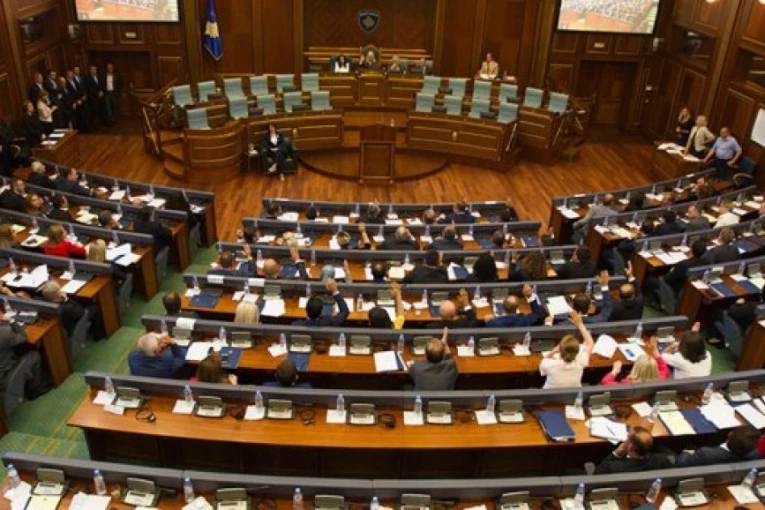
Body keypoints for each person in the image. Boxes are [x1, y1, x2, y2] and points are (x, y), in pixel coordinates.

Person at [539, 310, 594, 389]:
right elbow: (590, 343)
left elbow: (544, 362)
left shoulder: (549, 364)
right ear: (577, 351)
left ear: (560, 349)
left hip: (550, 396)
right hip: (573, 396)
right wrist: (580, 324)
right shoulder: (581, 360)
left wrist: (553, 352)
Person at [0, 313, 48, 399]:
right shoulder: (4, 332)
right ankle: (34, 390)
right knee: (34, 355)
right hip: (5, 377)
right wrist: (11, 321)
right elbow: (24, 337)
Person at [593, 427, 672, 474]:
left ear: (630, 446)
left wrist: (615, 454)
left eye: (627, 437)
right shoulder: (663, 460)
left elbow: (596, 474)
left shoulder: (613, 467)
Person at [676, 426, 760, 467]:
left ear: (730, 434)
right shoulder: (755, 455)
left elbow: (682, 463)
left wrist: (687, 451)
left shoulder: (706, 454)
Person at [601, 337, 669, 385]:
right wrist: (656, 351)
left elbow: (605, 382)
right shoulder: (661, 378)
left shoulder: (628, 383)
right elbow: (664, 369)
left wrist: (615, 371)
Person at [85, 64, 104, 129]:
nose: (93, 70)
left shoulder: (99, 76)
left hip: (100, 97)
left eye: (95, 69)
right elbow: (89, 88)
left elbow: (102, 85)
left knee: (101, 110)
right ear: (90, 70)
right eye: (92, 69)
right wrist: (97, 94)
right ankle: (95, 126)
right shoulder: (87, 78)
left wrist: (101, 91)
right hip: (93, 98)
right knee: (94, 112)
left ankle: (101, 124)